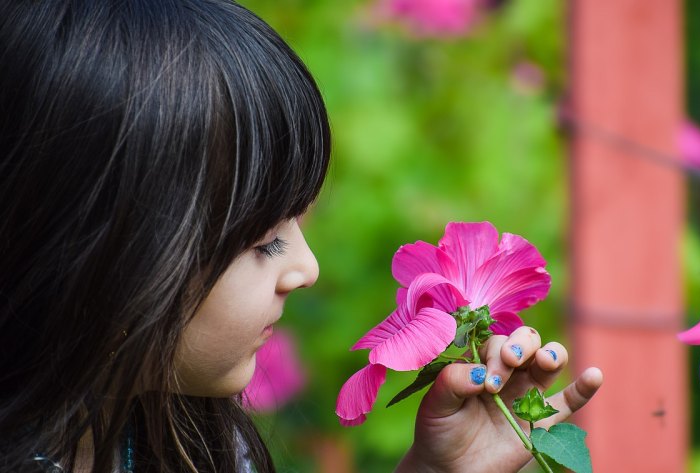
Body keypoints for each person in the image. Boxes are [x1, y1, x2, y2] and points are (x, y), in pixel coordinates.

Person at [0, 1, 603, 471]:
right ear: (91, 248)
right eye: (262, 241)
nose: (306, 268)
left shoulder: (194, 444)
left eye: (297, 222)